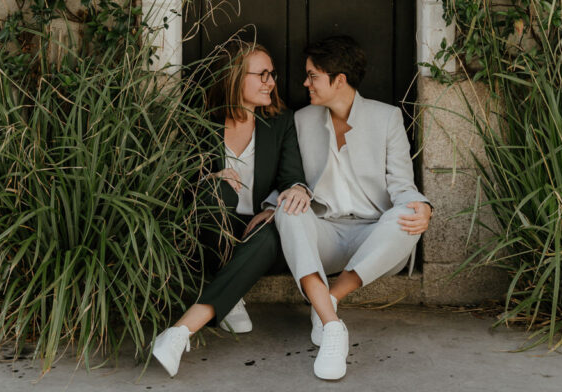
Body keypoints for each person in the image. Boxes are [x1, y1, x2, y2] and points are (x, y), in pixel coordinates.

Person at [273, 35, 433, 381]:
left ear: (339, 80)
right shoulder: (301, 120)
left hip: (372, 239)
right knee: (287, 210)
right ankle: (333, 328)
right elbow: (288, 177)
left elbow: (403, 187)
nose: (305, 83)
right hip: (325, 234)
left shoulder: (387, 118)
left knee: (407, 215)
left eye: (313, 75)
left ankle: (327, 299)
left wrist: (423, 207)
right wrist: (291, 191)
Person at [152, 39, 311, 378]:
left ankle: (179, 332)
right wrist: (209, 177)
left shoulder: (281, 122)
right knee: (218, 189)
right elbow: (174, 182)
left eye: (272, 75)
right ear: (236, 77)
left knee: (272, 233)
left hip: (255, 231)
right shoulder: (199, 120)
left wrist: (278, 202)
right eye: (262, 74)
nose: (271, 81)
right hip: (209, 230)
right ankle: (231, 292)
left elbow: (292, 176)